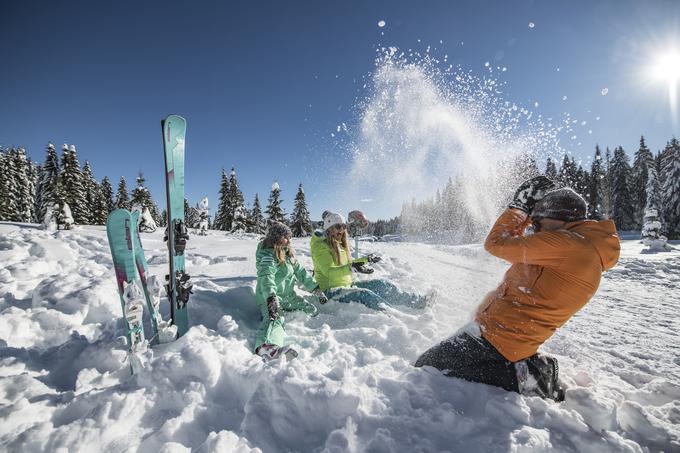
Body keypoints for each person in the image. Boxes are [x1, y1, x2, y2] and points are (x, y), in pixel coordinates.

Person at [415, 176, 620, 401]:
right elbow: (517, 248)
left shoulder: (567, 245)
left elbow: (497, 244)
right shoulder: (574, 246)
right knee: (443, 362)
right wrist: (525, 217)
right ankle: (526, 366)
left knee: (427, 366)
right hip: (504, 335)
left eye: (539, 221)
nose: (534, 226)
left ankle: (528, 377)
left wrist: (518, 209)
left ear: (557, 218)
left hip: (499, 338)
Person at [311, 211, 428, 310]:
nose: (342, 230)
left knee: (381, 284)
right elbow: (329, 272)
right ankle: (392, 316)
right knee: (366, 295)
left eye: (344, 227)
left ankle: (416, 302)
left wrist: (366, 259)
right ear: (329, 229)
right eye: (338, 227)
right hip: (329, 293)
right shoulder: (320, 247)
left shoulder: (339, 245)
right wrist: (351, 268)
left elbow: (349, 266)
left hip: (346, 286)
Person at [254, 222, 327, 361]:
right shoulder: (268, 255)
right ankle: (266, 347)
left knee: (310, 309)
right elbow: (266, 277)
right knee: (275, 319)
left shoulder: (288, 254)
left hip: (288, 297)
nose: (289, 240)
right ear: (276, 238)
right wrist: (270, 298)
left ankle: (276, 315)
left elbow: (301, 273)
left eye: (289, 237)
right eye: (285, 237)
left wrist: (316, 290)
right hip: (269, 297)